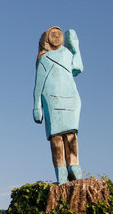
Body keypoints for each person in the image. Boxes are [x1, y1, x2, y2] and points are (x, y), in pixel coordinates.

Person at [33, 26, 84, 185]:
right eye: (52, 34)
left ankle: (74, 165)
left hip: (70, 97)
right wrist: (37, 106)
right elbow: (38, 85)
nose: (56, 36)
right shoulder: (45, 59)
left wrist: (74, 45)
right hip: (52, 99)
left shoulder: (67, 54)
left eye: (58, 34)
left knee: (71, 135)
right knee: (56, 138)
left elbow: (78, 68)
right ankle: (60, 169)